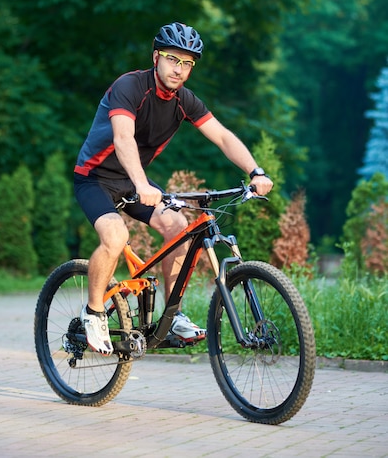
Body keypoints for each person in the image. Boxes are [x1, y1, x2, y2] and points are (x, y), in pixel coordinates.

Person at [74, 22, 273, 355]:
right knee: (115, 237)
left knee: (179, 226)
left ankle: (173, 314)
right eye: (172, 59)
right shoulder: (130, 87)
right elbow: (123, 138)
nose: (179, 69)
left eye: (187, 63)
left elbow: (222, 136)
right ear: (156, 57)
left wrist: (255, 170)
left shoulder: (185, 101)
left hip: (132, 182)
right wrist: (141, 184)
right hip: (95, 178)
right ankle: (93, 312)